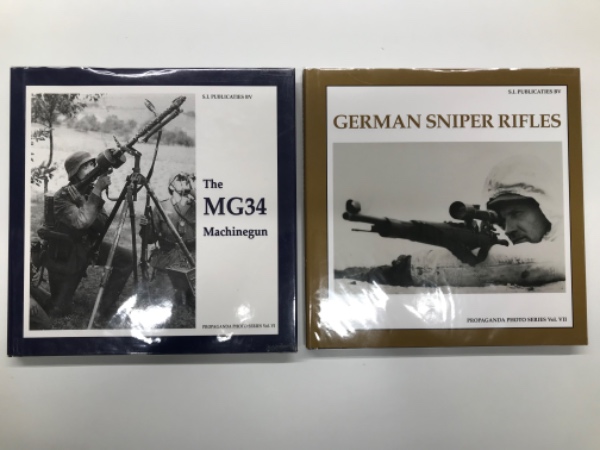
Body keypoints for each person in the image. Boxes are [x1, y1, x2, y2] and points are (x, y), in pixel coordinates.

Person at [337, 155, 565, 288]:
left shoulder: (566, 251)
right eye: (501, 219)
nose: (509, 228)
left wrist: (404, 269)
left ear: (547, 208)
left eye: (516, 213)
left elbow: (518, 264)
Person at [42, 150, 133, 326]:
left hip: (88, 248)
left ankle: (103, 309)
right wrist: (96, 191)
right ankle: (31, 292)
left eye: (93, 164)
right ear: (75, 172)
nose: (93, 168)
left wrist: (85, 201)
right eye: (86, 166)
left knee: (127, 259)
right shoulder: (63, 196)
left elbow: (102, 226)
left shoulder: (89, 192)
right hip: (66, 256)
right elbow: (81, 222)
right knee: (59, 309)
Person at [139, 172, 196, 306]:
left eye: (186, 180)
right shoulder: (162, 207)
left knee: (194, 300)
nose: (184, 181)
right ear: (171, 186)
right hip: (167, 257)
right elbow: (150, 239)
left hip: (191, 258)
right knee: (163, 300)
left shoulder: (197, 206)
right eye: (179, 179)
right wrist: (146, 227)